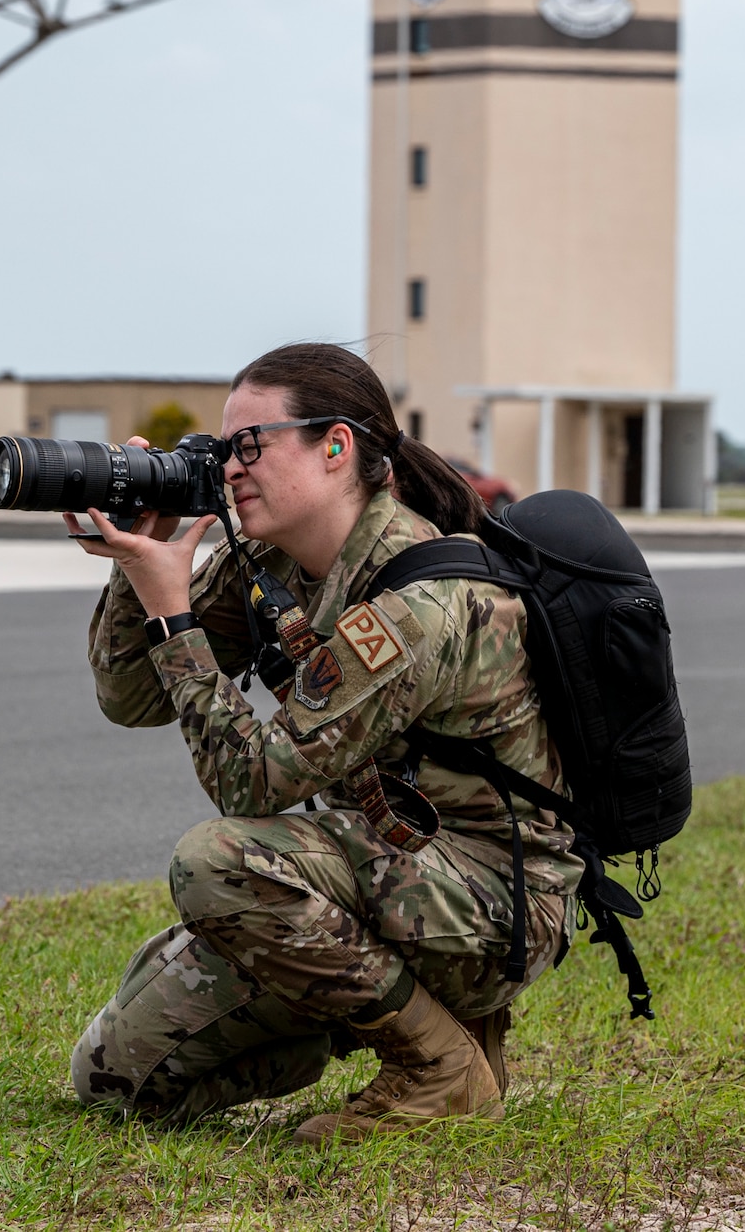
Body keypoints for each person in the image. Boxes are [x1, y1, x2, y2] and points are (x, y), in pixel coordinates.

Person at [67, 342, 582, 1143]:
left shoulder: (421, 599)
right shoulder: (273, 563)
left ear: (336, 447)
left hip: (488, 903)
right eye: (221, 449)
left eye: (250, 446)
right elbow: (132, 698)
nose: (228, 469)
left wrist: (175, 618)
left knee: (220, 864)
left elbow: (251, 786)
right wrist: (139, 566)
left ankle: (437, 1067)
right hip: (373, 874)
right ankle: (430, 1030)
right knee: (114, 1079)